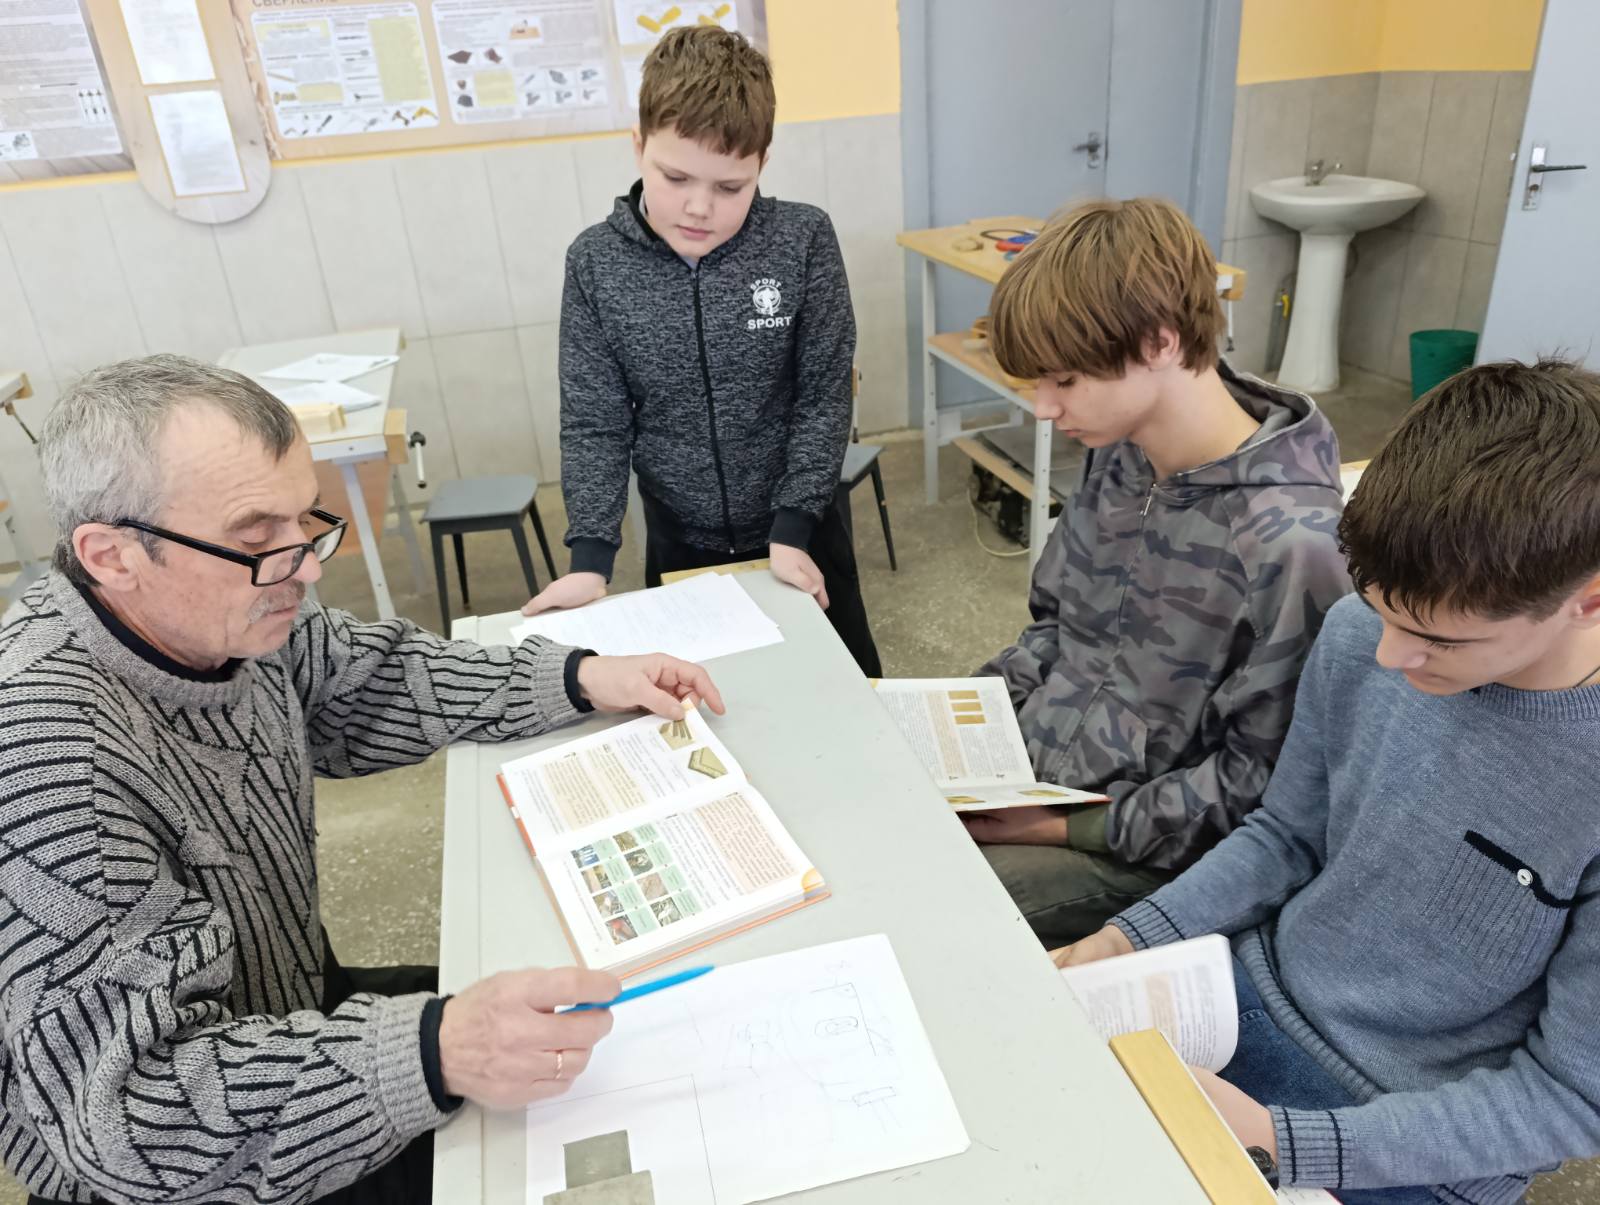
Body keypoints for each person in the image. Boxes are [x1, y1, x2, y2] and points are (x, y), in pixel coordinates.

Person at [0, 355, 725, 1205]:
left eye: (304, 520)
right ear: (112, 555)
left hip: (287, 1000)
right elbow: (134, 1118)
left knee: (602, 1027)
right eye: (255, 538)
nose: (306, 568)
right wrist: (434, 1052)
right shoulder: (52, 768)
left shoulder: (226, 611)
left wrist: (575, 678)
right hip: (186, 1165)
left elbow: (365, 679)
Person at [1057, 359, 1600, 1203]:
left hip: (1415, 1135)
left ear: (1589, 599)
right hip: (1247, 998)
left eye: (1438, 639)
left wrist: (1282, 1141)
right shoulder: (1358, 636)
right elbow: (1286, 835)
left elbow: (1571, 1096)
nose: (1388, 655)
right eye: (1379, 609)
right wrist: (1125, 941)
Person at [967, 198, 1349, 945]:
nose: (1043, 408)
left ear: (1160, 342)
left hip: (1145, 851)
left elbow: (1261, 791)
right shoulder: (1121, 452)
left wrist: (1060, 826)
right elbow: (1056, 628)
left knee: (927, 906)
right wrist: (962, 721)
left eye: (1065, 380)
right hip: (1037, 779)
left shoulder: (1293, 544)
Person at [520, 25, 883, 676]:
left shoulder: (802, 240)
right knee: (706, 707)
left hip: (803, 534)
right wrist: (591, 558)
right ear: (638, 146)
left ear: (762, 164)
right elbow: (596, 422)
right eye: (675, 176)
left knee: (846, 690)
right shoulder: (596, 264)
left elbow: (824, 395)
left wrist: (793, 524)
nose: (698, 207)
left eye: (729, 187)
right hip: (680, 540)